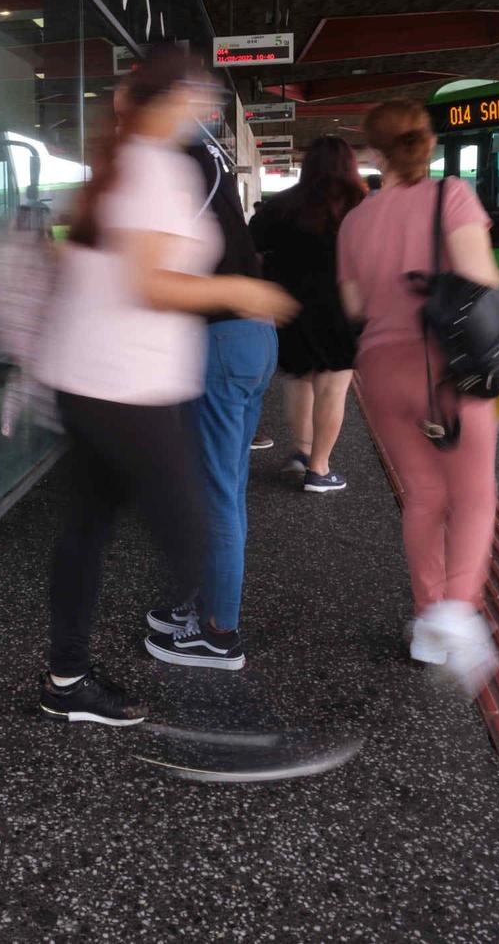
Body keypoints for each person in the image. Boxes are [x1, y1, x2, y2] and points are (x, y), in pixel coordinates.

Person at [35, 47, 295, 718]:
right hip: (127, 385)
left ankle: (67, 682)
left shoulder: (119, 165)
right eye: (193, 95)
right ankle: (223, 712)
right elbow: (147, 280)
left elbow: (82, 259)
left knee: (88, 530)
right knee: (189, 531)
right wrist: (242, 287)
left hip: (89, 376)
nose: (200, 108)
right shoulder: (155, 168)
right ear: (169, 100)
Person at [338, 100, 499, 694]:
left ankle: (428, 623)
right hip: (447, 364)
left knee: (424, 495)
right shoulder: (451, 196)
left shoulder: (356, 220)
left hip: (381, 369)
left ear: (374, 153)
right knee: (474, 494)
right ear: (428, 143)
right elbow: (482, 280)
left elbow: (355, 308)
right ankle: (456, 608)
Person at [138, 111, 295, 670]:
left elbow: (158, 278)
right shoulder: (215, 175)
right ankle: (208, 602)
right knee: (226, 484)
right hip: (252, 339)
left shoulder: (174, 175)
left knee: (215, 493)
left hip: (222, 345)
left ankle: (218, 632)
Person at [250, 135, 367, 493]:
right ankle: (320, 468)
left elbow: (251, 249)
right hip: (341, 310)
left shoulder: (282, 205)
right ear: (350, 165)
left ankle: (301, 452)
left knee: (300, 379)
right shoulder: (361, 206)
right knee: (332, 387)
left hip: (290, 309)